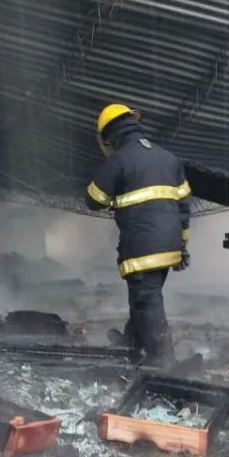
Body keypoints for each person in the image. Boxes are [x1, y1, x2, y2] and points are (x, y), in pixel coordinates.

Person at [84, 103, 190, 367]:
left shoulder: (119, 160)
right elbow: (184, 206)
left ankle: (164, 362)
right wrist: (182, 245)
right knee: (143, 294)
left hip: (142, 247)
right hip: (171, 244)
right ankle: (132, 342)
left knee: (147, 300)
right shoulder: (168, 158)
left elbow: (93, 199)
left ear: (109, 135)